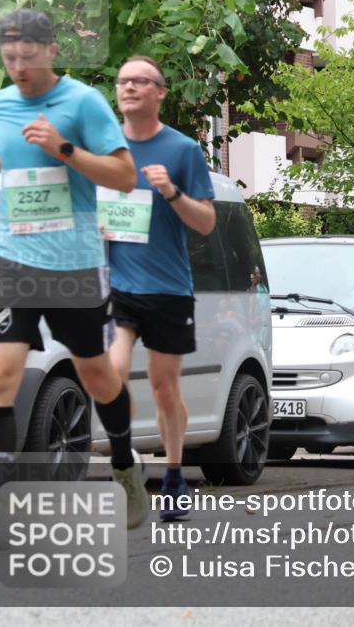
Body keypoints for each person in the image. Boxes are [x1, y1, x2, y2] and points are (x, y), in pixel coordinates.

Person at [0, 9, 144, 550]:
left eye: (27, 57)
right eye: (9, 58)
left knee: (95, 374)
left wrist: (63, 148)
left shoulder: (83, 103)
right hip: (11, 257)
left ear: (52, 51)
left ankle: (125, 466)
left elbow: (124, 175)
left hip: (73, 265)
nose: (18, 67)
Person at [108, 56, 216, 520]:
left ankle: (173, 474)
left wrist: (171, 192)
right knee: (111, 375)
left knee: (164, 386)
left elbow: (206, 222)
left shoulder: (182, 150)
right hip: (117, 284)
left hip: (168, 288)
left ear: (160, 91)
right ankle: (124, 461)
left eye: (140, 81)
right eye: (123, 80)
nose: (129, 87)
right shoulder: (105, 148)